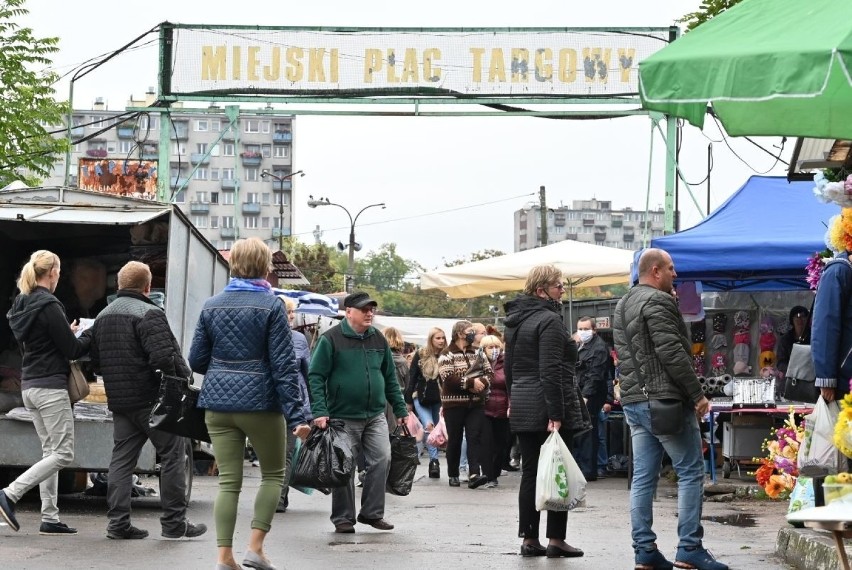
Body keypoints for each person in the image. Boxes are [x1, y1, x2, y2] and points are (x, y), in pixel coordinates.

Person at [189, 238, 310, 570]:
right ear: (266, 268)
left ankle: (223, 557)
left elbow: (196, 360)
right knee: (273, 475)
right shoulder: (272, 306)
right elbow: (284, 366)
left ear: (233, 264)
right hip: (261, 404)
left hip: (217, 404)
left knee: (229, 481)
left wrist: (225, 366)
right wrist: (297, 415)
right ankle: (255, 548)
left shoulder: (211, 304)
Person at [613, 248, 726, 570]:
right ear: (656, 271)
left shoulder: (623, 303)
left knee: (643, 479)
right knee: (691, 471)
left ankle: (644, 551)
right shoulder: (659, 301)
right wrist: (697, 394)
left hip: (635, 400)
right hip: (663, 400)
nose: (676, 275)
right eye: (671, 269)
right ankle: (689, 548)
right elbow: (672, 353)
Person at [86, 261, 207, 541]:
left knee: (121, 461)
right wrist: (184, 381)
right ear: (148, 287)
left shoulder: (103, 316)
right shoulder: (150, 312)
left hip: (120, 403)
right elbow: (165, 358)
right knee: (173, 455)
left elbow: (97, 363)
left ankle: (118, 525)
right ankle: (174, 524)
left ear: (118, 285)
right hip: (152, 402)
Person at [0, 250, 90, 536]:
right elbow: (73, 350)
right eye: (59, 271)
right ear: (52, 273)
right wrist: (88, 332)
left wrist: (67, 331)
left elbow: (42, 342)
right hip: (51, 388)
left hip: (31, 386)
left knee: (49, 452)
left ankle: (49, 517)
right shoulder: (50, 305)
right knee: (63, 454)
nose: (59, 275)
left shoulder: (21, 304)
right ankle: (9, 494)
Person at [503, 264, 588, 559]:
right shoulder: (549, 320)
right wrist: (556, 413)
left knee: (530, 473)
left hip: (524, 403)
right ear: (541, 290)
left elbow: (510, 367)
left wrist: (513, 399)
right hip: (547, 403)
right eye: (558, 286)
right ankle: (556, 539)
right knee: (557, 471)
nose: (562, 291)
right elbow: (550, 370)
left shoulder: (515, 320)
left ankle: (529, 538)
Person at [307, 291, 408, 534]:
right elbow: (316, 376)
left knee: (382, 458)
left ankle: (372, 514)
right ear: (349, 312)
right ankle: (343, 518)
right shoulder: (331, 339)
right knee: (344, 467)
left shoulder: (378, 339)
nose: (370, 313)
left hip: (374, 415)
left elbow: (390, 378)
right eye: (365, 309)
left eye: (372, 309)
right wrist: (320, 411)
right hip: (341, 416)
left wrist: (401, 408)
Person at [437, 320, 493, 489]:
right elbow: (448, 378)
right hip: (453, 404)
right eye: (470, 331)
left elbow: (489, 372)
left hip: (476, 403)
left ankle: (474, 473)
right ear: (460, 333)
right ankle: (453, 473)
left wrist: (481, 383)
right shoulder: (447, 354)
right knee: (454, 439)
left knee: (474, 437)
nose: (473, 334)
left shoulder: (478, 352)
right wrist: (471, 384)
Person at [277, 297, 313, 514]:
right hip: (268, 404)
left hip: (293, 405)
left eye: (292, 313)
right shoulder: (263, 337)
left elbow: (308, 376)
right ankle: (277, 492)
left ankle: (279, 497)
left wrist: (311, 410)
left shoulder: (299, 339)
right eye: (288, 312)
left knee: (287, 452)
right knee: (273, 454)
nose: (291, 316)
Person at [404, 327, 447, 478]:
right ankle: (434, 462)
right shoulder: (421, 354)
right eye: (438, 338)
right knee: (429, 426)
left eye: (442, 338)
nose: (441, 341)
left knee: (436, 430)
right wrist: (408, 400)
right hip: (420, 397)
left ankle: (433, 461)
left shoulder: (446, 355)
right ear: (431, 339)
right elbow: (412, 377)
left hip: (439, 398)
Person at [574, 316, 611, 481]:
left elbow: (595, 375)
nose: (582, 332)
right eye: (580, 329)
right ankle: (584, 467)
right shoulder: (581, 345)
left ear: (594, 330)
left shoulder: (599, 348)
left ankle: (588, 470)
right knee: (584, 432)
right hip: (581, 391)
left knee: (588, 432)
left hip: (590, 394)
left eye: (585, 329)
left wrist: (585, 396)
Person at [480, 334, 509, 488]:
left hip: (502, 408)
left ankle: (495, 472)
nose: (494, 350)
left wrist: (511, 406)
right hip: (483, 409)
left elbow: (510, 386)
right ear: (484, 349)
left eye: (497, 346)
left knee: (500, 444)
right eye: (491, 347)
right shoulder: (478, 364)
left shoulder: (506, 364)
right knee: (486, 443)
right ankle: (489, 475)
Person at [776, 305, 810, 378]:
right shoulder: (785, 340)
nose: (800, 319)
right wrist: (793, 370)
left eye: (803, 316)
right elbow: (781, 363)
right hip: (791, 379)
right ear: (792, 320)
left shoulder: (813, 338)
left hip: (810, 377)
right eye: (797, 316)